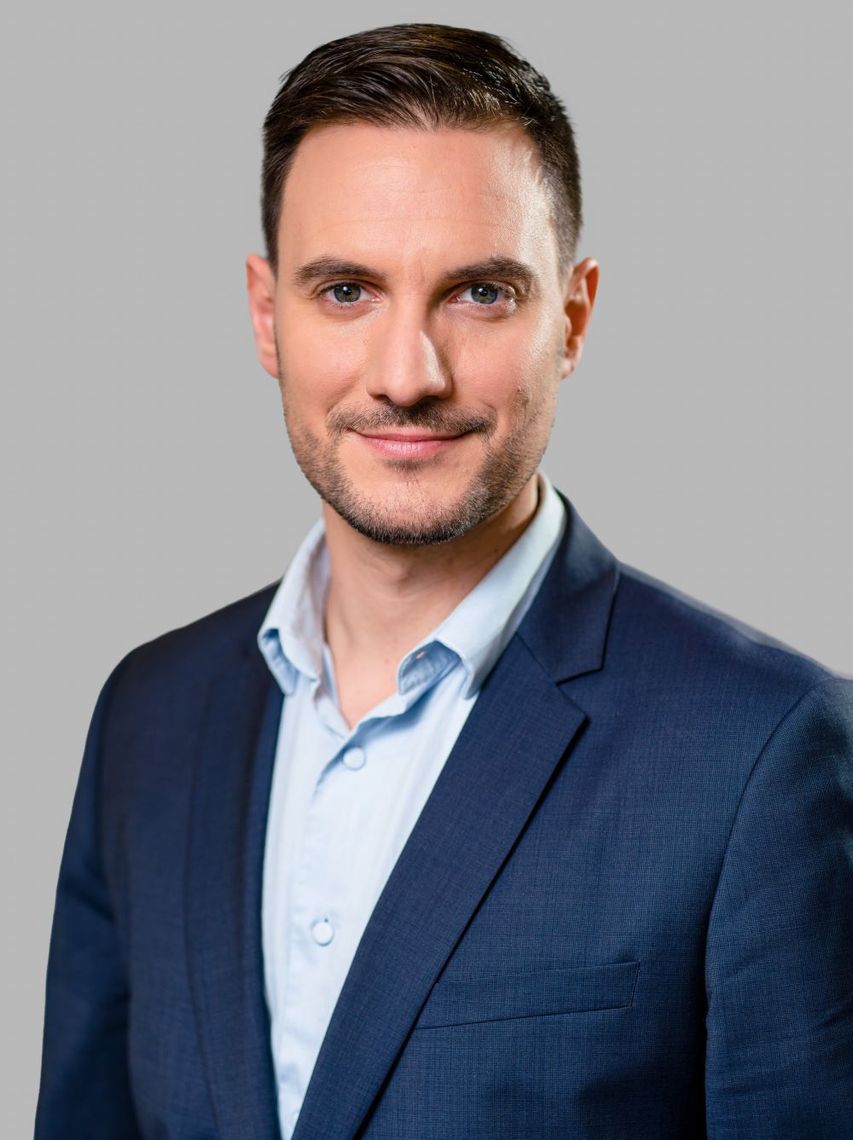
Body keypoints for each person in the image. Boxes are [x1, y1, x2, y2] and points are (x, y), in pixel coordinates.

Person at [35, 22, 852, 1140]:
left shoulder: (761, 749)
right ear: (267, 315)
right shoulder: (148, 713)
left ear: (571, 317)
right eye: (346, 291)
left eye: (478, 293)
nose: (407, 375)